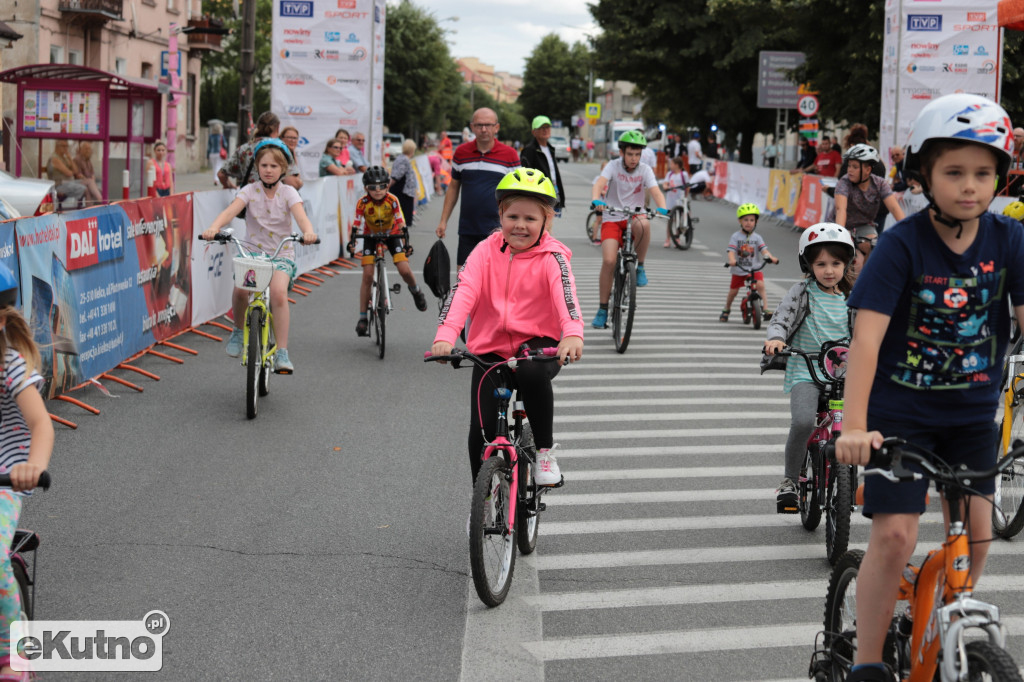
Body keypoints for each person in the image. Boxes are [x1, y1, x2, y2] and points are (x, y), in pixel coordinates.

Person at [834, 93, 1024, 682]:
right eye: (954, 172)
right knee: (895, 535)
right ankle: (868, 660)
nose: (970, 186)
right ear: (923, 174)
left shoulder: (1010, 241)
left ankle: (946, 631)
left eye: (983, 173)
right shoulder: (901, 244)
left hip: (971, 418)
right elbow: (866, 342)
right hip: (900, 418)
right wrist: (854, 425)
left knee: (980, 535)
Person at [430, 168, 583, 491]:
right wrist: (445, 336)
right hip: (491, 348)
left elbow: (566, 298)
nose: (520, 226)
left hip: (540, 345)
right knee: (481, 431)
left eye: (530, 219)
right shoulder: (485, 251)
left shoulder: (553, 257)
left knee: (529, 373)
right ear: (500, 215)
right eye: (512, 216)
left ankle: (543, 453)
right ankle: (482, 500)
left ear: (546, 222)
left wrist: (572, 333)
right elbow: (463, 292)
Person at [201, 139, 317, 373]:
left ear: (283, 169)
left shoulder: (288, 192)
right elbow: (230, 212)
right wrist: (213, 227)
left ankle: (282, 352)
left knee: (278, 294)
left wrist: (308, 232)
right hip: (252, 253)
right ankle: (238, 331)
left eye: (274, 166)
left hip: (280, 254)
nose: (268, 170)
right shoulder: (249, 190)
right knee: (241, 290)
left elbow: (301, 217)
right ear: (256, 167)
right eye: (264, 165)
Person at [763, 223, 854, 510]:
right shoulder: (802, 292)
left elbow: (871, 329)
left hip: (846, 371)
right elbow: (781, 318)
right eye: (821, 264)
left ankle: (854, 481)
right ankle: (790, 480)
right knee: (803, 422)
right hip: (807, 369)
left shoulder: (854, 297)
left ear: (846, 264)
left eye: (836, 263)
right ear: (808, 265)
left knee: (861, 425)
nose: (829, 270)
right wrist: (776, 338)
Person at [0, 264, 54, 682]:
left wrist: (32, 466)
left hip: (5, 475)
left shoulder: (10, 366)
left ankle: (12, 653)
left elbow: (40, 425)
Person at [589, 130, 669, 328]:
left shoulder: (645, 170)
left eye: (637, 154)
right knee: (609, 260)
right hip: (612, 216)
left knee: (644, 223)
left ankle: (640, 266)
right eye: (630, 154)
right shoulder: (613, 166)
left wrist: (662, 207)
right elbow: (600, 183)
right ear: (622, 152)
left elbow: (655, 191)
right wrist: (596, 198)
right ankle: (602, 308)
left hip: (634, 216)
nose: (634, 159)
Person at [435, 108, 520, 266]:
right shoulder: (461, 152)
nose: (483, 129)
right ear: (472, 127)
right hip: (468, 230)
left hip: (499, 231)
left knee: (496, 282)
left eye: (488, 125)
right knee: (463, 281)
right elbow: (453, 188)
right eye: (479, 125)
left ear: (497, 127)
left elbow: (518, 194)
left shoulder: (510, 155)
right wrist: (443, 221)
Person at [352, 166, 428, 337]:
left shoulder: (392, 199)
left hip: (392, 234)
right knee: (367, 275)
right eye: (373, 187)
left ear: (388, 186)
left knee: (404, 269)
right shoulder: (362, 203)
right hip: (371, 236)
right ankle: (363, 318)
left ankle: (416, 291)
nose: (378, 190)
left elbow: (401, 222)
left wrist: (406, 241)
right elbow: (356, 225)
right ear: (366, 189)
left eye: (382, 186)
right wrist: (352, 240)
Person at [829, 144, 905, 238]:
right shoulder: (844, 182)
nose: (850, 170)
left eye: (855, 167)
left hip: (863, 226)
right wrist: (840, 234)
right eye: (849, 166)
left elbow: (894, 208)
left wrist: (908, 231)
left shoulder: (879, 183)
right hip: (840, 225)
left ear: (868, 170)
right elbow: (840, 209)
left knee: (873, 245)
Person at [720, 203, 779, 322]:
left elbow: (763, 250)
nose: (748, 222)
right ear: (740, 221)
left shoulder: (757, 237)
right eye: (745, 220)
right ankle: (726, 309)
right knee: (733, 292)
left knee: (761, 285)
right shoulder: (736, 236)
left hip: (754, 268)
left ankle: (766, 309)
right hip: (739, 268)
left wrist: (770, 258)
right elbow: (731, 250)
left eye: (752, 220)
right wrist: (732, 260)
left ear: (756, 222)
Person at [219, 112, 301, 190]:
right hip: (274, 202)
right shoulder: (281, 148)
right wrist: (300, 183)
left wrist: (228, 186)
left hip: (248, 201)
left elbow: (221, 174)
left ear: (258, 126)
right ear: (278, 127)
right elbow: (293, 183)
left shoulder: (244, 149)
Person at [519, 115, 566, 214]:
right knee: (543, 224)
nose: (545, 130)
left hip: (552, 190)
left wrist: (560, 196)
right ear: (533, 132)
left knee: (549, 224)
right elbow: (525, 175)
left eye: (547, 127)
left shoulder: (550, 148)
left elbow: (554, 173)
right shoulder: (529, 150)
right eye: (541, 128)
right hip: (539, 194)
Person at [45, 139, 86, 207]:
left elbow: (76, 171)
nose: (66, 148)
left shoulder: (64, 157)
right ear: (57, 146)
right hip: (58, 185)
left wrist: (69, 158)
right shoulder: (54, 158)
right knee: (84, 188)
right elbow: (69, 173)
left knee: (88, 182)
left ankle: (91, 205)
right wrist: (73, 172)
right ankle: (89, 206)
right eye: (63, 146)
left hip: (67, 183)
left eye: (67, 146)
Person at [389, 139, 419, 228]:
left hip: (403, 190)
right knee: (403, 218)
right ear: (412, 149)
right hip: (403, 192)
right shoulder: (404, 160)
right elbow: (397, 175)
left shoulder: (401, 158)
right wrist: (388, 186)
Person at [660, 156, 689, 247]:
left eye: (671, 164)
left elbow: (687, 186)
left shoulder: (683, 174)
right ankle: (668, 239)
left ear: (677, 165)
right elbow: (665, 183)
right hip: (670, 200)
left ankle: (677, 238)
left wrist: (685, 197)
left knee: (678, 220)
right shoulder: (669, 174)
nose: (670, 165)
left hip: (679, 200)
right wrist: (665, 186)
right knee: (670, 220)